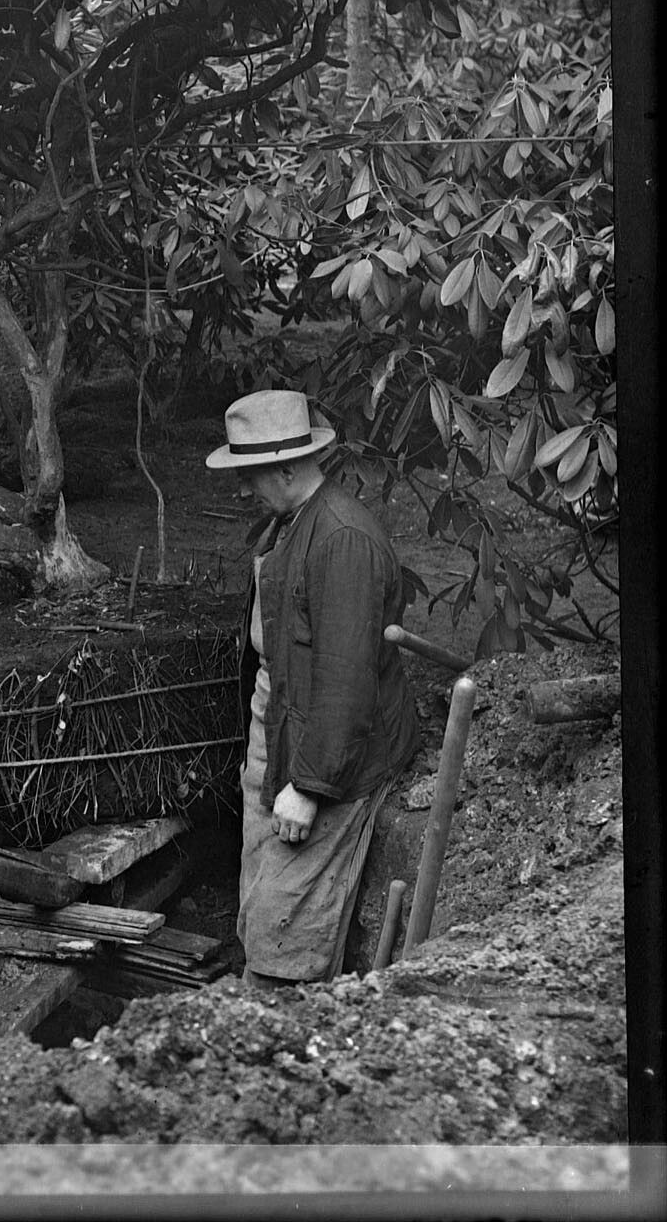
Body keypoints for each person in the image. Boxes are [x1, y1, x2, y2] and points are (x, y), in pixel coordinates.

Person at [207, 389, 420, 989]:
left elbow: (345, 684)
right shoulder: (290, 524)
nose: (243, 490)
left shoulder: (341, 539)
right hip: (284, 724)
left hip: (332, 753)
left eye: (250, 475)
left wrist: (307, 786)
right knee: (258, 896)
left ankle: (285, 1012)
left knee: (289, 915)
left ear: (285, 466)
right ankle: (260, 986)